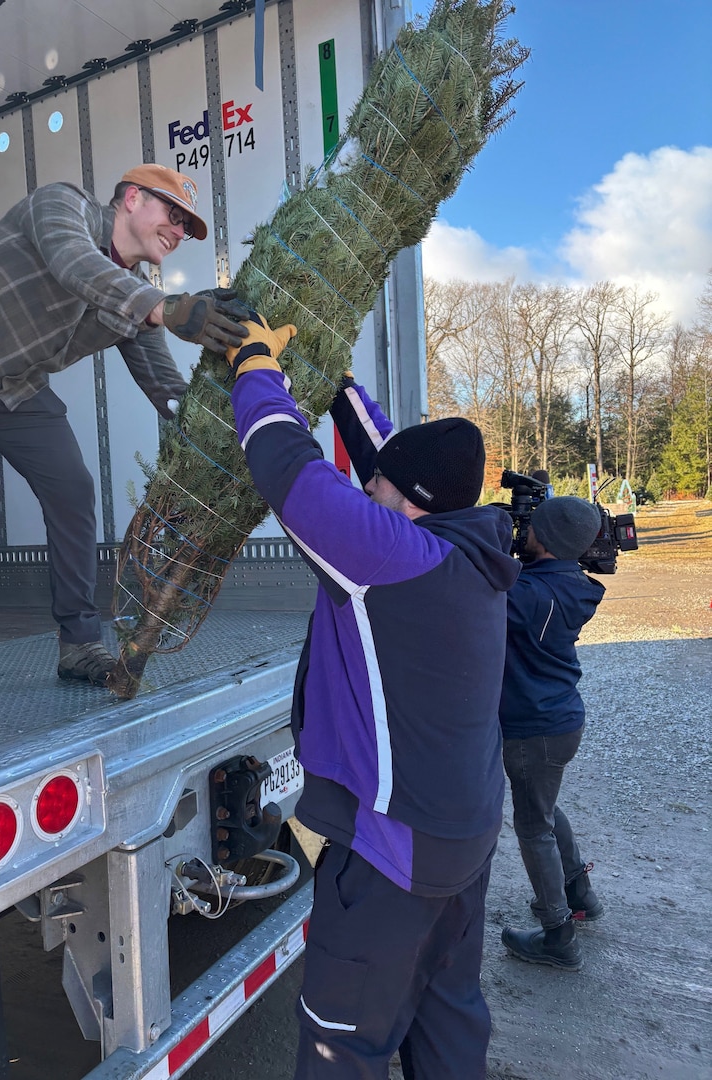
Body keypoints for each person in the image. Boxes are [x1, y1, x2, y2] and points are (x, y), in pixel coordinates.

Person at [224, 314, 520, 1079]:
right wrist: (340, 388)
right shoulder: (472, 545)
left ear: (407, 504)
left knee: (342, 1045)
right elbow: (386, 461)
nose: (367, 487)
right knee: (448, 1022)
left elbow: (289, 471)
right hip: (468, 835)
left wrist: (255, 367)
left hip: (395, 857)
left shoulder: (391, 562)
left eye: (377, 487)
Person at [0, 164, 250, 712]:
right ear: (131, 199)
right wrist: (161, 308)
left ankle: (79, 646)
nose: (179, 231)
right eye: (173, 214)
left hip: (9, 386)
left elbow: (164, 385)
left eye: (187, 227)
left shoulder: (134, 297)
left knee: (73, 489)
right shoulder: (61, 207)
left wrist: (211, 437)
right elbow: (74, 265)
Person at [499, 496, 606, 971]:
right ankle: (578, 891)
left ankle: (557, 932)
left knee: (532, 825)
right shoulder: (571, 585)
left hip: (532, 728)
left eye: (531, 528)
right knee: (544, 806)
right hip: (561, 721)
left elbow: (474, 591)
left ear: (545, 539)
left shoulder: (527, 596)